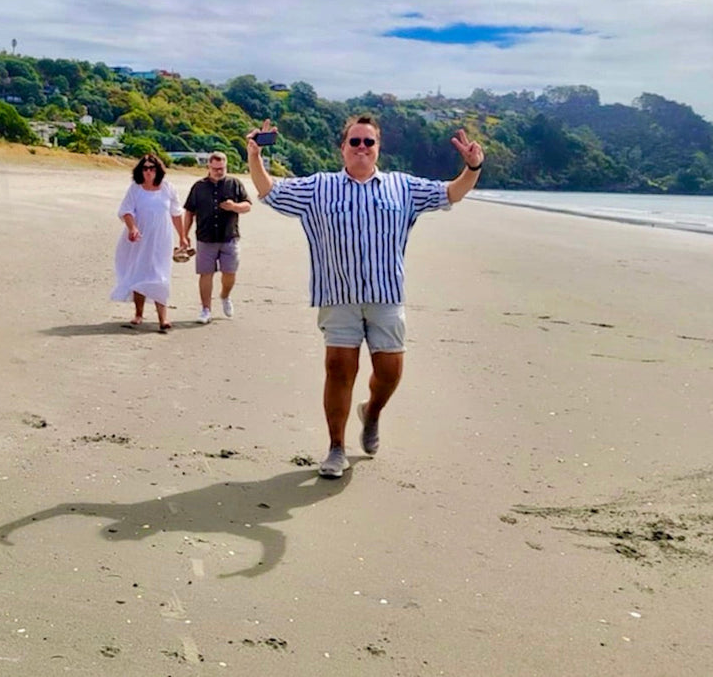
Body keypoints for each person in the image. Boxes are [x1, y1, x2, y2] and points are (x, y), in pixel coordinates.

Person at [245, 115, 484, 478]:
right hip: (338, 295)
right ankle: (336, 447)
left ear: (378, 149)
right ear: (342, 148)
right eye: (354, 142)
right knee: (339, 370)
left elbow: (451, 192)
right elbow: (270, 192)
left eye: (368, 142)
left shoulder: (402, 187)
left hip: (386, 294)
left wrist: (473, 166)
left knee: (389, 371)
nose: (361, 148)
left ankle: (371, 412)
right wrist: (255, 157)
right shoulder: (319, 187)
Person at [110, 154, 190, 332]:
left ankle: (163, 318)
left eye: (152, 168)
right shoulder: (135, 189)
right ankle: (139, 313)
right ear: (140, 170)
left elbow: (176, 214)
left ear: (158, 170)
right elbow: (126, 211)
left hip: (162, 238)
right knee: (140, 273)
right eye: (145, 168)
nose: (148, 172)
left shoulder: (168, 188)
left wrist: (183, 236)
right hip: (139, 237)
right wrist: (132, 228)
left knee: (160, 274)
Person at [182, 151, 252, 324]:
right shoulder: (198, 187)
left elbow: (248, 205)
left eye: (222, 169)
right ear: (209, 167)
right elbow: (189, 211)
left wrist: (234, 206)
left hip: (229, 236)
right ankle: (206, 309)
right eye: (215, 169)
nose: (219, 172)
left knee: (230, 273)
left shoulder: (234, 183)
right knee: (205, 274)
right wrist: (184, 235)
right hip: (205, 238)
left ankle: (225, 296)